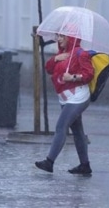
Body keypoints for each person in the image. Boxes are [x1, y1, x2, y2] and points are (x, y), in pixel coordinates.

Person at [35, 33, 94, 175]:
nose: (59, 39)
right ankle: (85, 165)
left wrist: (72, 77)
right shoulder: (62, 53)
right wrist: (56, 58)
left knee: (61, 126)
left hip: (78, 96)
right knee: (78, 131)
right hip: (65, 97)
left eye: (62, 36)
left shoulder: (81, 54)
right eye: (58, 36)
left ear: (71, 38)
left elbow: (89, 74)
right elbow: (48, 69)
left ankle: (49, 162)